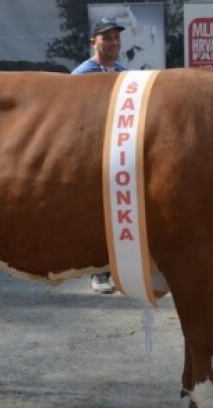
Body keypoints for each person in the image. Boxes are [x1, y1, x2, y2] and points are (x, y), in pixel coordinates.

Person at [72, 18, 128, 294]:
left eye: (116, 38)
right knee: (97, 215)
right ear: (93, 42)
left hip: (120, 155)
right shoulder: (83, 74)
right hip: (92, 156)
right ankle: (97, 272)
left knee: (121, 213)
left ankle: (121, 270)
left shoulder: (124, 73)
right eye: (106, 38)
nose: (113, 42)